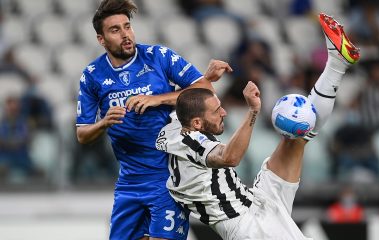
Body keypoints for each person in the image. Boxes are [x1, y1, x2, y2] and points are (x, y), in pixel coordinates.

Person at [156, 13, 360, 239]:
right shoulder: (188, 141)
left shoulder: (179, 121)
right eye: (216, 111)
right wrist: (252, 111)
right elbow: (230, 157)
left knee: (298, 136)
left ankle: (336, 65)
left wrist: (206, 79)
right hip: (248, 228)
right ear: (196, 123)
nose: (224, 112)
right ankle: (337, 66)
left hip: (256, 199)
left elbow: (187, 100)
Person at [75, 0, 232, 239]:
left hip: (168, 178)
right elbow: (82, 134)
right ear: (101, 39)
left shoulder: (157, 56)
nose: (125, 34)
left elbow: (204, 90)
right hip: (129, 182)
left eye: (127, 26)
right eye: (115, 30)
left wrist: (157, 99)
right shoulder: (92, 75)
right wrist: (103, 122)